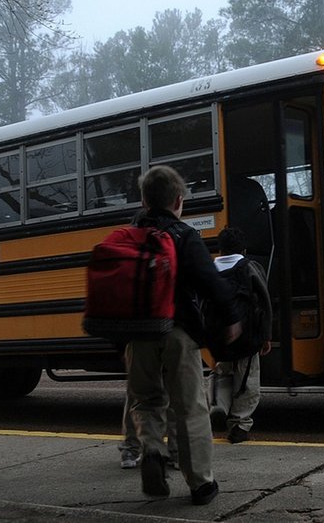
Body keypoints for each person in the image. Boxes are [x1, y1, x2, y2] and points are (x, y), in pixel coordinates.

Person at [125, 165, 241, 505]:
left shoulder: (129, 237)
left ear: (145, 201)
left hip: (137, 335)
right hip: (177, 331)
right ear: (178, 201)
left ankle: (150, 449)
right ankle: (201, 483)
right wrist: (231, 318)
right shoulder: (183, 235)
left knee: (145, 401)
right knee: (190, 407)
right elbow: (211, 281)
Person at [208, 227, 272, 444]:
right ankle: (240, 425)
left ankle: (218, 406)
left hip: (219, 339)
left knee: (222, 374)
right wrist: (265, 336)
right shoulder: (250, 268)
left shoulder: (209, 270)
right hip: (247, 337)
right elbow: (264, 302)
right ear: (243, 249)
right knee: (247, 379)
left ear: (220, 248)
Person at [119, 343, 178, 470]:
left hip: (141, 334)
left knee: (139, 396)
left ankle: (134, 448)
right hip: (175, 331)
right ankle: (177, 452)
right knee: (177, 393)